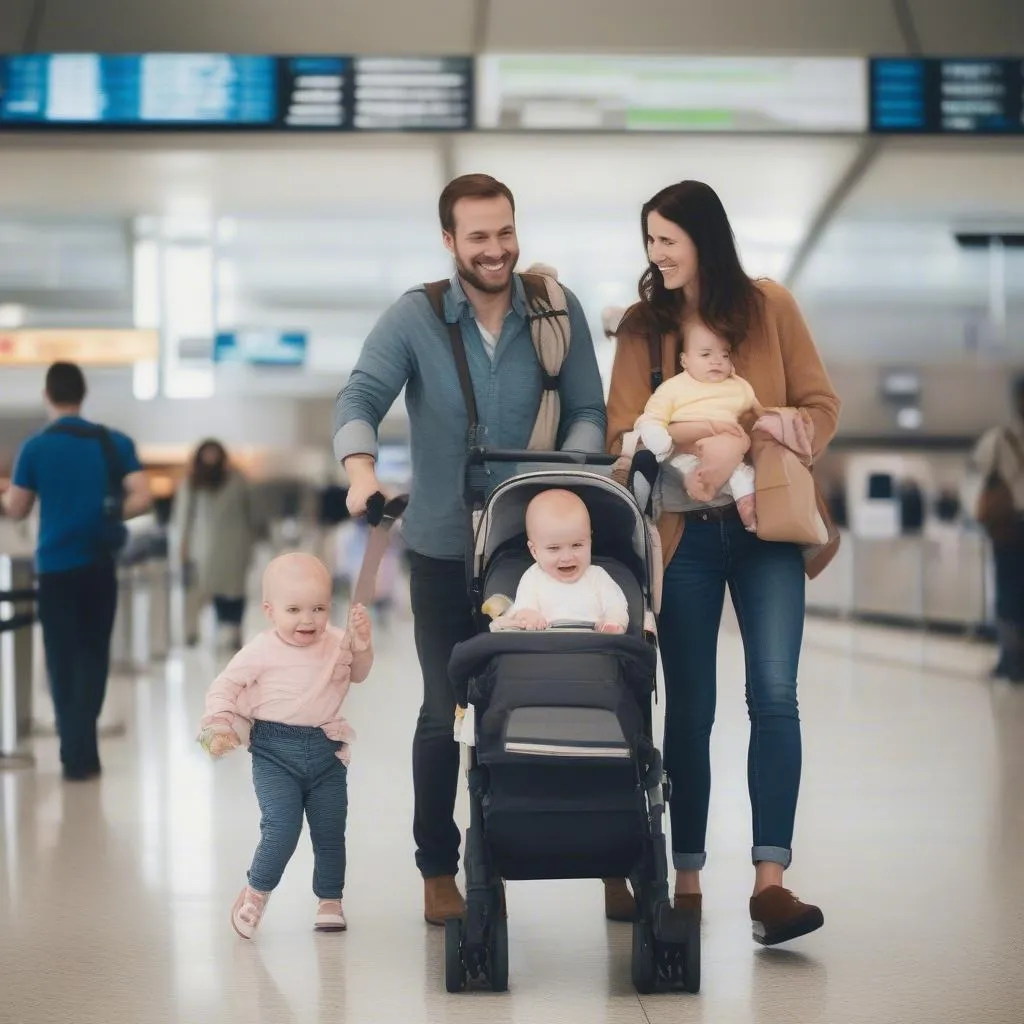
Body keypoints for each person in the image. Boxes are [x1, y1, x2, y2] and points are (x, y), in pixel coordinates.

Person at [333, 173, 607, 925]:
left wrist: (569, 477)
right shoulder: (416, 317)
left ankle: (606, 852)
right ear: (450, 242)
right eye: (478, 237)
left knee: (566, 697)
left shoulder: (556, 310)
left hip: (535, 552)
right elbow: (359, 398)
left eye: (505, 232)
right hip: (444, 550)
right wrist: (361, 472)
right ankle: (435, 866)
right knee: (439, 711)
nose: (496, 250)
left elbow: (588, 408)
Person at [605, 181, 841, 946]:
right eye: (649, 241)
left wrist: (752, 430)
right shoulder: (645, 327)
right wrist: (676, 438)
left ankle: (770, 882)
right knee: (693, 710)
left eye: (667, 239)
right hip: (686, 536)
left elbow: (821, 406)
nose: (656, 254)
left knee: (775, 694)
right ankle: (687, 878)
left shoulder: (770, 307)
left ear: (704, 237)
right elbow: (620, 433)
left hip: (766, 522)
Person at [197, 552, 373, 939]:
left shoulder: (335, 643)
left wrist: (362, 645)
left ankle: (330, 899)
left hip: (327, 751)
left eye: (318, 608)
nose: (307, 620)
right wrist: (219, 720)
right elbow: (226, 685)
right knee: (281, 827)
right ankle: (256, 891)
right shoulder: (261, 650)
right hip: (274, 753)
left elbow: (358, 674)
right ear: (269, 611)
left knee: (330, 831)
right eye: (293, 609)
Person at [1, 362, 152, 781]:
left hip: (55, 568)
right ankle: (82, 746)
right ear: (82, 395)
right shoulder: (113, 442)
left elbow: (16, 507)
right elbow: (144, 496)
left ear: (48, 395)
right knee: (93, 653)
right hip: (99, 564)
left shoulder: (35, 448)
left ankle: (75, 749)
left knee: (62, 658)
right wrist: (105, 515)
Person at [635, 331, 759, 531]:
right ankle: (696, 482)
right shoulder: (673, 388)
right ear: (684, 360)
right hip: (685, 445)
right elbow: (653, 416)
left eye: (724, 355)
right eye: (706, 355)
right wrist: (656, 434)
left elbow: (756, 411)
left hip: (725, 444)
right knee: (682, 466)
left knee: (741, 475)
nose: (717, 361)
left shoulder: (736, 386)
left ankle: (746, 503)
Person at [500, 489, 628, 633]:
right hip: (545, 647)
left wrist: (613, 621)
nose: (567, 557)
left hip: (594, 646)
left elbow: (616, 605)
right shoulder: (533, 577)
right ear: (534, 551)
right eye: (554, 548)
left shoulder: (597, 576)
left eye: (577, 545)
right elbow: (523, 607)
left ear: (590, 541)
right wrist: (529, 615)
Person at [174, 439, 257, 650]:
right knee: (200, 592)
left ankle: (231, 631)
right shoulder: (192, 482)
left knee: (233, 591)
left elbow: (251, 512)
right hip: (203, 548)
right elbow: (183, 517)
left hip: (235, 545)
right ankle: (194, 633)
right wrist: (182, 545)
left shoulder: (237, 479)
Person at [972, 376, 1024, 683]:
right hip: (1010, 528)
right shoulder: (999, 438)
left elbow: (980, 472)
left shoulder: (998, 438)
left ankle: (1010, 660)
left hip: (1008, 528)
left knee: (1007, 595)